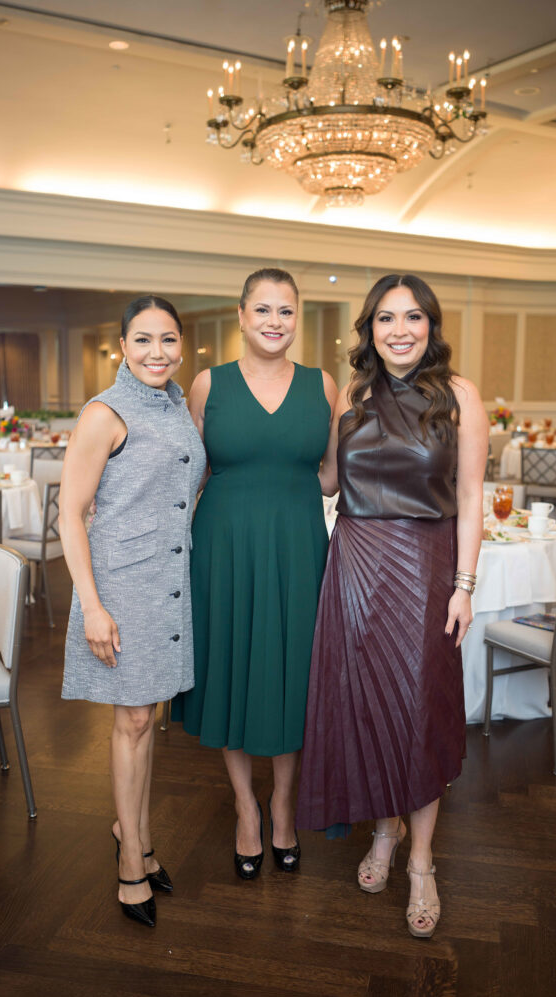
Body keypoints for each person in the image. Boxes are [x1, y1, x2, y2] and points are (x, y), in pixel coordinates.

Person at [296, 273, 488, 938]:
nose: (400, 330)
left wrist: (465, 585)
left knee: (419, 713)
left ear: (431, 327)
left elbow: (470, 500)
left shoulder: (460, 397)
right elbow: (325, 477)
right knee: (366, 710)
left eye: (413, 318)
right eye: (385, 318)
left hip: (426, 569)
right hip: (352, 566)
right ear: (369, 329)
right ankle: (385, 832)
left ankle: (423, 861)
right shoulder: (352, 394)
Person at [173, 268, 338, 878]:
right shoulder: (206, 384)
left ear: (299, 319)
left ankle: (284, 804)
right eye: (262, 309)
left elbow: (331, 475)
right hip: (223, 547)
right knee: (236, 671)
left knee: (294, 675)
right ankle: (246, 806)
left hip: (298, 546)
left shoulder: (325, 386)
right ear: (240, 316)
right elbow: (191, 476)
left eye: (286, 311)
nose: (274, 321)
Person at [60, 295, 206, 927]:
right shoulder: (104, 411)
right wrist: (92, 606)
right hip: (122, 584)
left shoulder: (175, 403)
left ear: (182, 346)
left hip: (171, 579)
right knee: (135, 721)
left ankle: (138, 835)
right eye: (143, 340)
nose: (157, 353)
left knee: (149, 719)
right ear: (122, 345)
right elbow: (68, 513)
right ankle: (129, 867)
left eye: (168, 340)